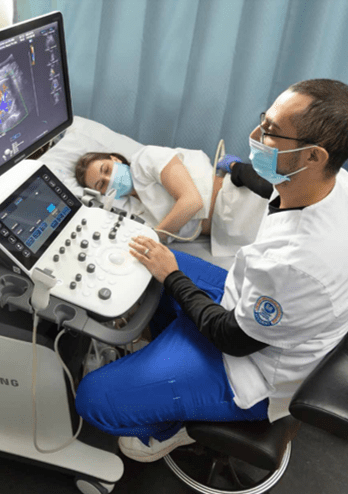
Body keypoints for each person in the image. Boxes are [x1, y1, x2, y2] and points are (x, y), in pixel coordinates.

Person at [75, 78, 348, 462]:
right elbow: (265, 189)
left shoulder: (298, 262)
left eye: (270, 132)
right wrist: (238, 169)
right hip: (249, 305)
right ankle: (166, 360)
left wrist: (172, 276)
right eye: (263, 120)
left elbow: (231, 339)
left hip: (254, 369)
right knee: (151, 260)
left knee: (94, 398)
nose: (255, 135)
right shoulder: (329, 184)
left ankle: (174, 425)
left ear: (314, 156)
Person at [75, 146, 225, 242]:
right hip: (223, 233)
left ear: (115, 159)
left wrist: (155, 237)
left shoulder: (145, 160)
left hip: (231, 202)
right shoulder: (131, 210)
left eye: (106, 169)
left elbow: (192, 202)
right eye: (101, 184)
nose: (109, 179)